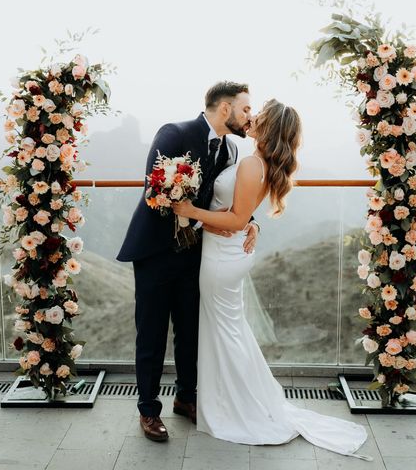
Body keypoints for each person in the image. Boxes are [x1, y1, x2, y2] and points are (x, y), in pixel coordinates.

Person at [173, 99, 371, 460]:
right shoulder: (258, 164)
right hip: (226, 255)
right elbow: (242, 215)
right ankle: (231, 400)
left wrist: (189, 211)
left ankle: (236, 407)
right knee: (229, 332)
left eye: (259, 116)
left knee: (225, 334)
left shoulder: (252, 164)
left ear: (270, 128)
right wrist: (248, 223)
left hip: (221, 258)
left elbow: (234, 219)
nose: (252, 118)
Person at [116, 81, 260, 442]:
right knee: (151, 333)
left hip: (195, 252)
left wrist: (249, 221)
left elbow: (221, 201)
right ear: (224, 109)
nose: (249, 116)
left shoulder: (229, 150)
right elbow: (155, 191)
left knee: (189, 330)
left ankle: (186, 397)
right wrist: (184, 207)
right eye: (245, 109)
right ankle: (148, 410)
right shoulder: (175, 133)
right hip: (154, 252)